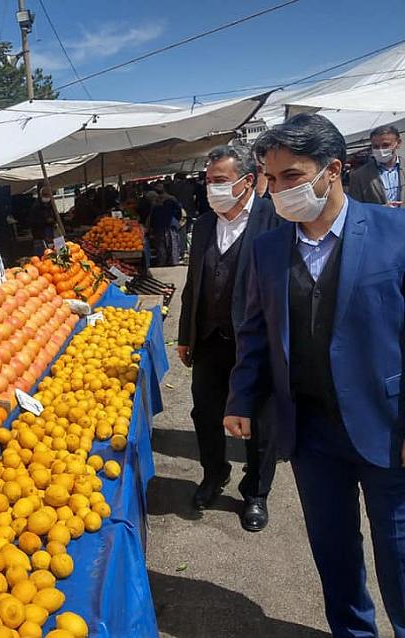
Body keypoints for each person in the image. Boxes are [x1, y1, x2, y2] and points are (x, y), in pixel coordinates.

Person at [224, 113, 405, 636]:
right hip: (311, 434)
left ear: (333, 171)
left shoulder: (394, 234)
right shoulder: (268, 249)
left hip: (387, 427)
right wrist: (240, 399)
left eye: (293, 176)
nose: (279, 190)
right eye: (272, 179)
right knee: (334, 554)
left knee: (400, 557)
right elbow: (255, 333)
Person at [177, 145, 280, 530]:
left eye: (219, 182)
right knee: (205, 412)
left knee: (259, 421)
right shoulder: (204, 225)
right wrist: (186, 333)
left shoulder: (275, 220)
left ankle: (255, 492)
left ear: (247, 181)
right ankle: (214, 472)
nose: (211, 189)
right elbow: (193, 285)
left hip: (256, 342)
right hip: (209, 339)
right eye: (208, 182)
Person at [348, 124, 404, 207]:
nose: (380, 150)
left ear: (398, 143)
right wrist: (381, 209)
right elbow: (356, 207)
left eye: (386, 145)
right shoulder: (359, 176)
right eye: (376, 146)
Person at [148, 182, 182, 266]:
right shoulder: (172, 199)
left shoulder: (156, 202)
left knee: (161, 245)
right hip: (170, 224)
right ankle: (173, 261)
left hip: (160, 225)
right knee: (172, 243)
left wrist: (152, 226)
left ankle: (162, 261)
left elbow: (153, 215)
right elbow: (179, 212)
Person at [28, 186, 57, 253]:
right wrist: (45, 221)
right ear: (41, 195)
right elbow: (33, 221)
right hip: (39, 233)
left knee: (51, 250)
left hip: (49, 231)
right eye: (45, 195)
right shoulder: (36, 206)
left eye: (49, 195)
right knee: (42, 252)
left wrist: (53, 221)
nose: (48, 197)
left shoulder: (49, 204)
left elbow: (54, 215)